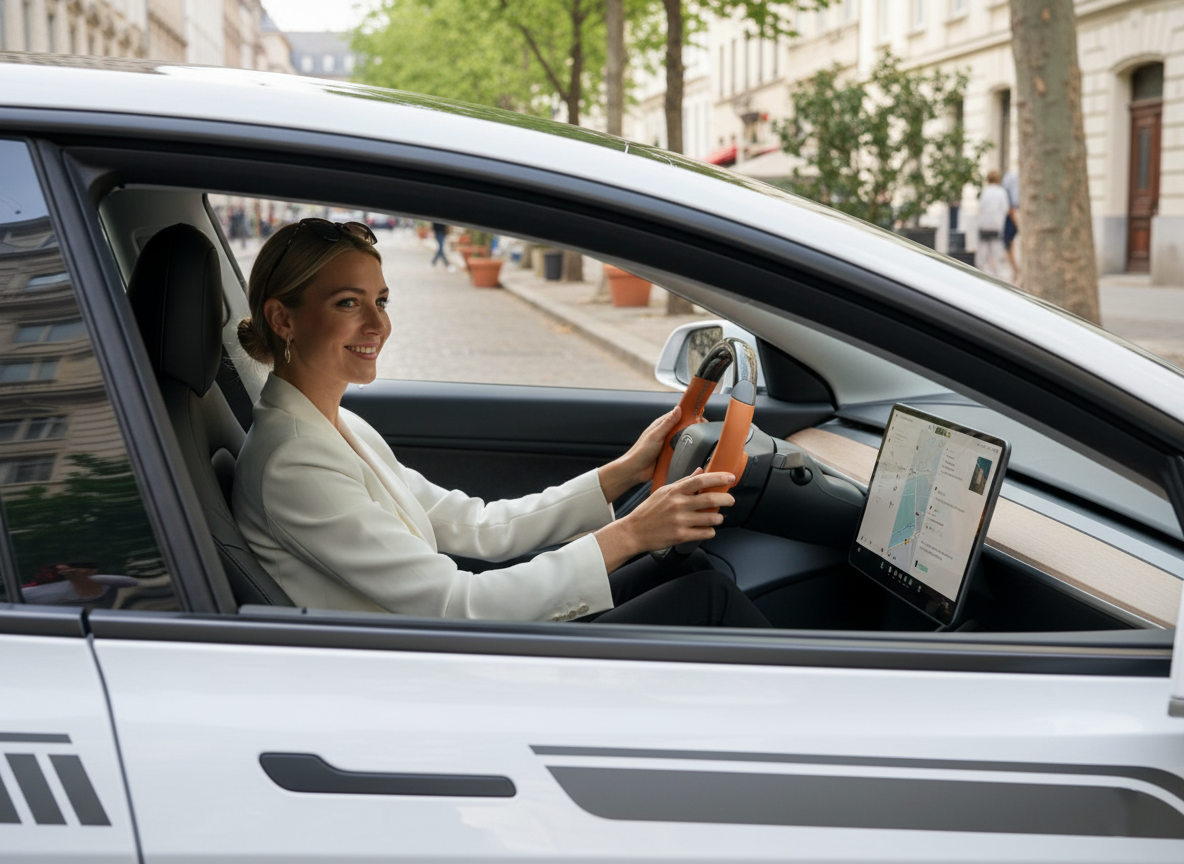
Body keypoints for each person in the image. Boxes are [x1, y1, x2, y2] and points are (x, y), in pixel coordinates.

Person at [232, 218, 771, 628]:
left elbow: (478, 525)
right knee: (709, 600)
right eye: (349, 303)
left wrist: (624, 472)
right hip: (419, 676)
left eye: (381, 300)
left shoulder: (338, 425)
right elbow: (456, 603)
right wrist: (631, 532)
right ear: (283, 319)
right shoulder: (293, 462)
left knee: (685, 570)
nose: (378, 323)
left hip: (426, 646)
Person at [976, 170, 1010, 278]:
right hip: (996, 224)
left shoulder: (985, 191)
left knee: (983, 249)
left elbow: (980, 207)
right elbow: (1005, 208)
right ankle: (996, 272)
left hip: (984, 224)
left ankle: (982, 270)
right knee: (996, 249)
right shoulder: (1001, 192)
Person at [1001, 169, 1020, 282]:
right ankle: (1015, 270)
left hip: (1011, 216)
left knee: (1009, 245)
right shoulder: (1012, 178)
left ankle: (1015, 271)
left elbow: (1012, 206)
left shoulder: (1009, 179)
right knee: (1009, 245)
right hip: (1012, 216)